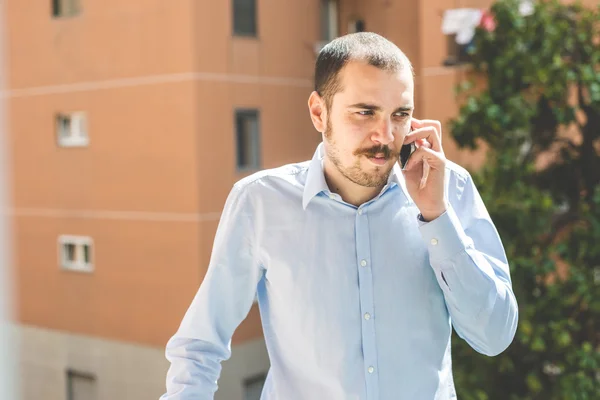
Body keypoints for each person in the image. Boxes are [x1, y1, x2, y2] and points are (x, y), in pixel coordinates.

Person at [160, 32, 518, 400]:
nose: (386, 134)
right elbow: (199, 347)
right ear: (319, 112)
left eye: (400, 114)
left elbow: (494, 336)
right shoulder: (260, 202)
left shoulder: (449, 190)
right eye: (365, 112)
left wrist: (437, 216)